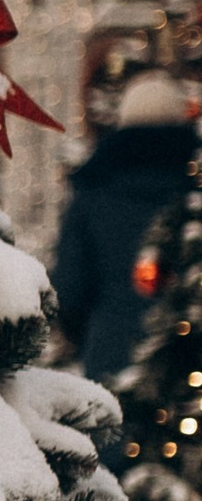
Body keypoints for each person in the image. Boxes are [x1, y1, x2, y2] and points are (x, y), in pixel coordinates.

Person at [51, 68, 194, 380]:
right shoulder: (192, 189)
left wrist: (83, 334)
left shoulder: (93, 189)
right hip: (188, 363)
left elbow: (69, 286)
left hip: (112, 355)